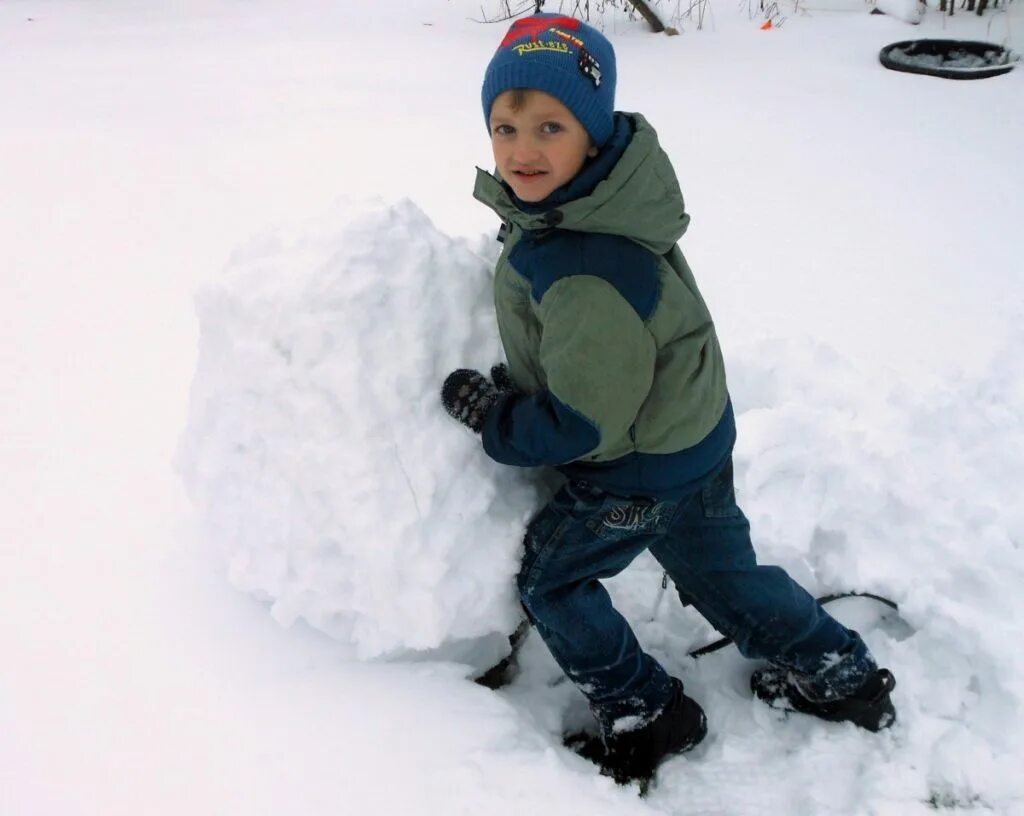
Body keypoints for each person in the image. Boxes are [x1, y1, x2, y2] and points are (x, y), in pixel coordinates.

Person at [440, 12, 896, 786]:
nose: (521, 150)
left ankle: (646, 710)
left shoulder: (584, 267)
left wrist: (501, 420)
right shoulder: (602, 205)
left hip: (634, 468)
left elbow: (584, 422)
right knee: (721, 572)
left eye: (550, 126)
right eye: (504, 126)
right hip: (692, 436)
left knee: (553, 580)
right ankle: (837, 672)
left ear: (591, 132)